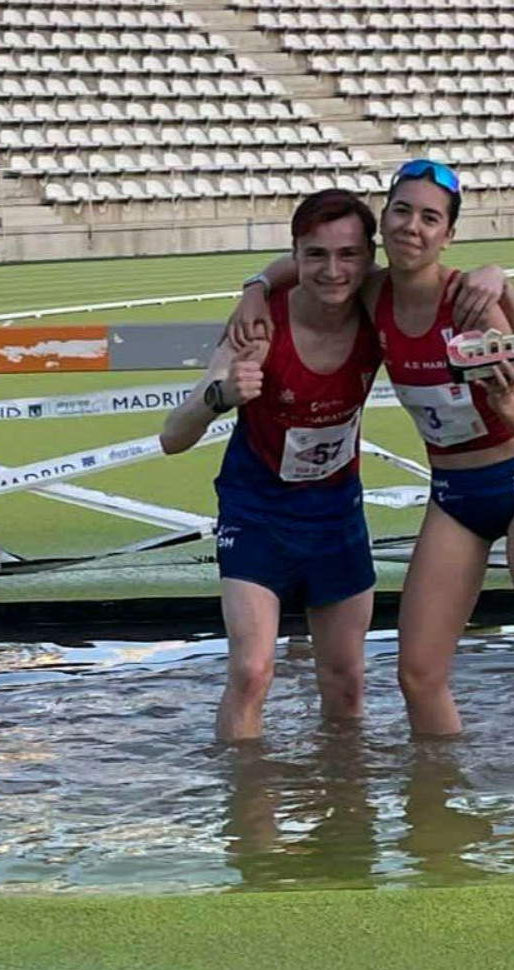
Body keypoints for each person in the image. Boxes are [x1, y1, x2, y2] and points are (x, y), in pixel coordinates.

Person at [229, 159, 514, 750]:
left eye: (430, 218)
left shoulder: (472, 305)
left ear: (447, 235)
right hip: (454, 497)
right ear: (384, 222)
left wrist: (503, 390)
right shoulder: (372, 293)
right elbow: (302, 263)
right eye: (402, 212)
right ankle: (438, 809)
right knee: (417, 674)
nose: (412, 227)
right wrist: (255, 287)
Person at [160, 189, 381, 743]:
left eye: (349, 255)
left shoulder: (378, 306)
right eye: (316, 256)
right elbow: (172, 437)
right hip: (257, 511)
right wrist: (222, 396)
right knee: (252, 671)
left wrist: (256, 281)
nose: (333, 271)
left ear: (369, 258)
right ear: (297, 256)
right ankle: (245, 819)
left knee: (347, 681)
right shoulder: (258, 331)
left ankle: (347, 805)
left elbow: (437, 284)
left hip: (335, 513)